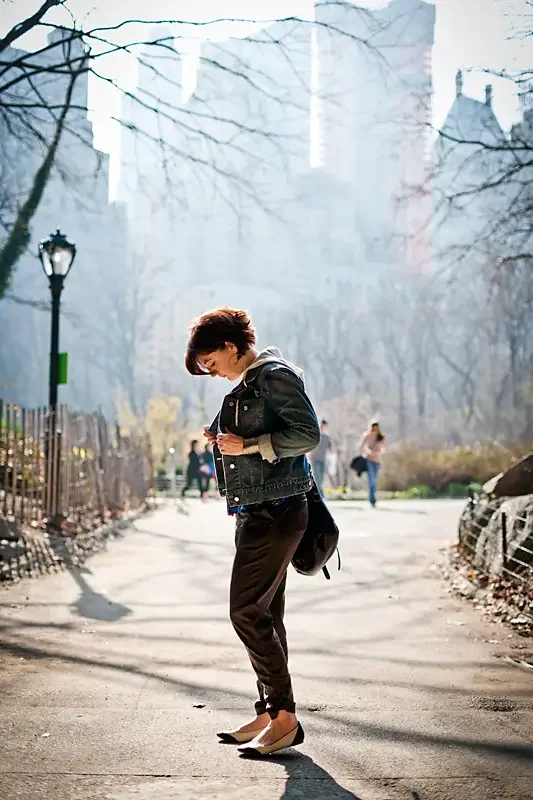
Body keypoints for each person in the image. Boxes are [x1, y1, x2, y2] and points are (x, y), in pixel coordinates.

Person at [185, 307, 319, 756]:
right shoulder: (248, 384)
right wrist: (224, 437)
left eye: (213, 363)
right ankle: (268, 711)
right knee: (265, 615)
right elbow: (257, 430)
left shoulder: (274, 376)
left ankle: (285, 716)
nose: (213, 372)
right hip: (255, 512)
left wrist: (251, 445)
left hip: (278, 511)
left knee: (244, 610)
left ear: (231, 346)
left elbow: (306, 434)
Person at [360, 421, 385, 507]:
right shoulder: (367, 436)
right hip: (369, 460)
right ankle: (372, 500)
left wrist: (379, 452)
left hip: (377, 461)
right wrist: (369, 452)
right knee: (371, 480)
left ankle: (372, 498)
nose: (375, 430)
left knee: (374, 480)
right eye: (373, 428)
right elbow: (363, 447)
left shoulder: (380, 437)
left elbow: (382, 448)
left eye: (376, 428)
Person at [311, 419, 331, 496]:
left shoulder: (327, 437)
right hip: (315, 458)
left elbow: (330, 448)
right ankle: (319, 493)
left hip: (323, 459)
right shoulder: (316, 434)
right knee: (316, 476)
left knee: (322, 476)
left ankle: (320, 492)